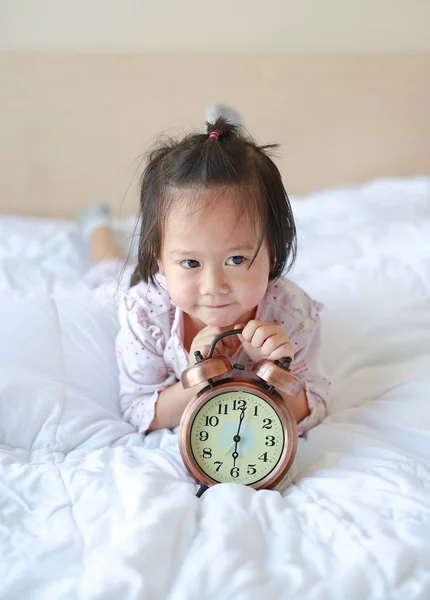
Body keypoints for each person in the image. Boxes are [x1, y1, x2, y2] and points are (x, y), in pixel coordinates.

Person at [80, 106, 331, 437]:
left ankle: (226, 153)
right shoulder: (145, 312)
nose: (213, 287)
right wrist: (200, 373)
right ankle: (96, 227)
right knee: (111, 271)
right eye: (190, 263)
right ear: (159, 259)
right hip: (145, 285)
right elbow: (140, 410)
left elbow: (314, 406)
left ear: (273, 251)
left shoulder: (292, 314)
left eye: (236, 260)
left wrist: (269, 369)